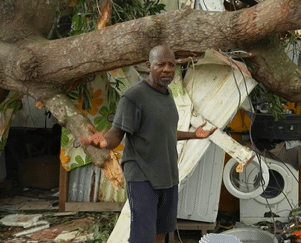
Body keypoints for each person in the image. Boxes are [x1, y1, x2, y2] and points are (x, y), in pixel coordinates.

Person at [83, 45, 216, 243]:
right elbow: (117, 133)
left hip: (168, 176)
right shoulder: (134, 97)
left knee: (161, 232)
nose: (167, 69)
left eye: (171, 65)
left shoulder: (167, 95)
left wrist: (195, 135)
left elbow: (165, 134)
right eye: (161, 64)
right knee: (142, 237)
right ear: (148, 66)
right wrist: (104, 143)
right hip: (142, 176)